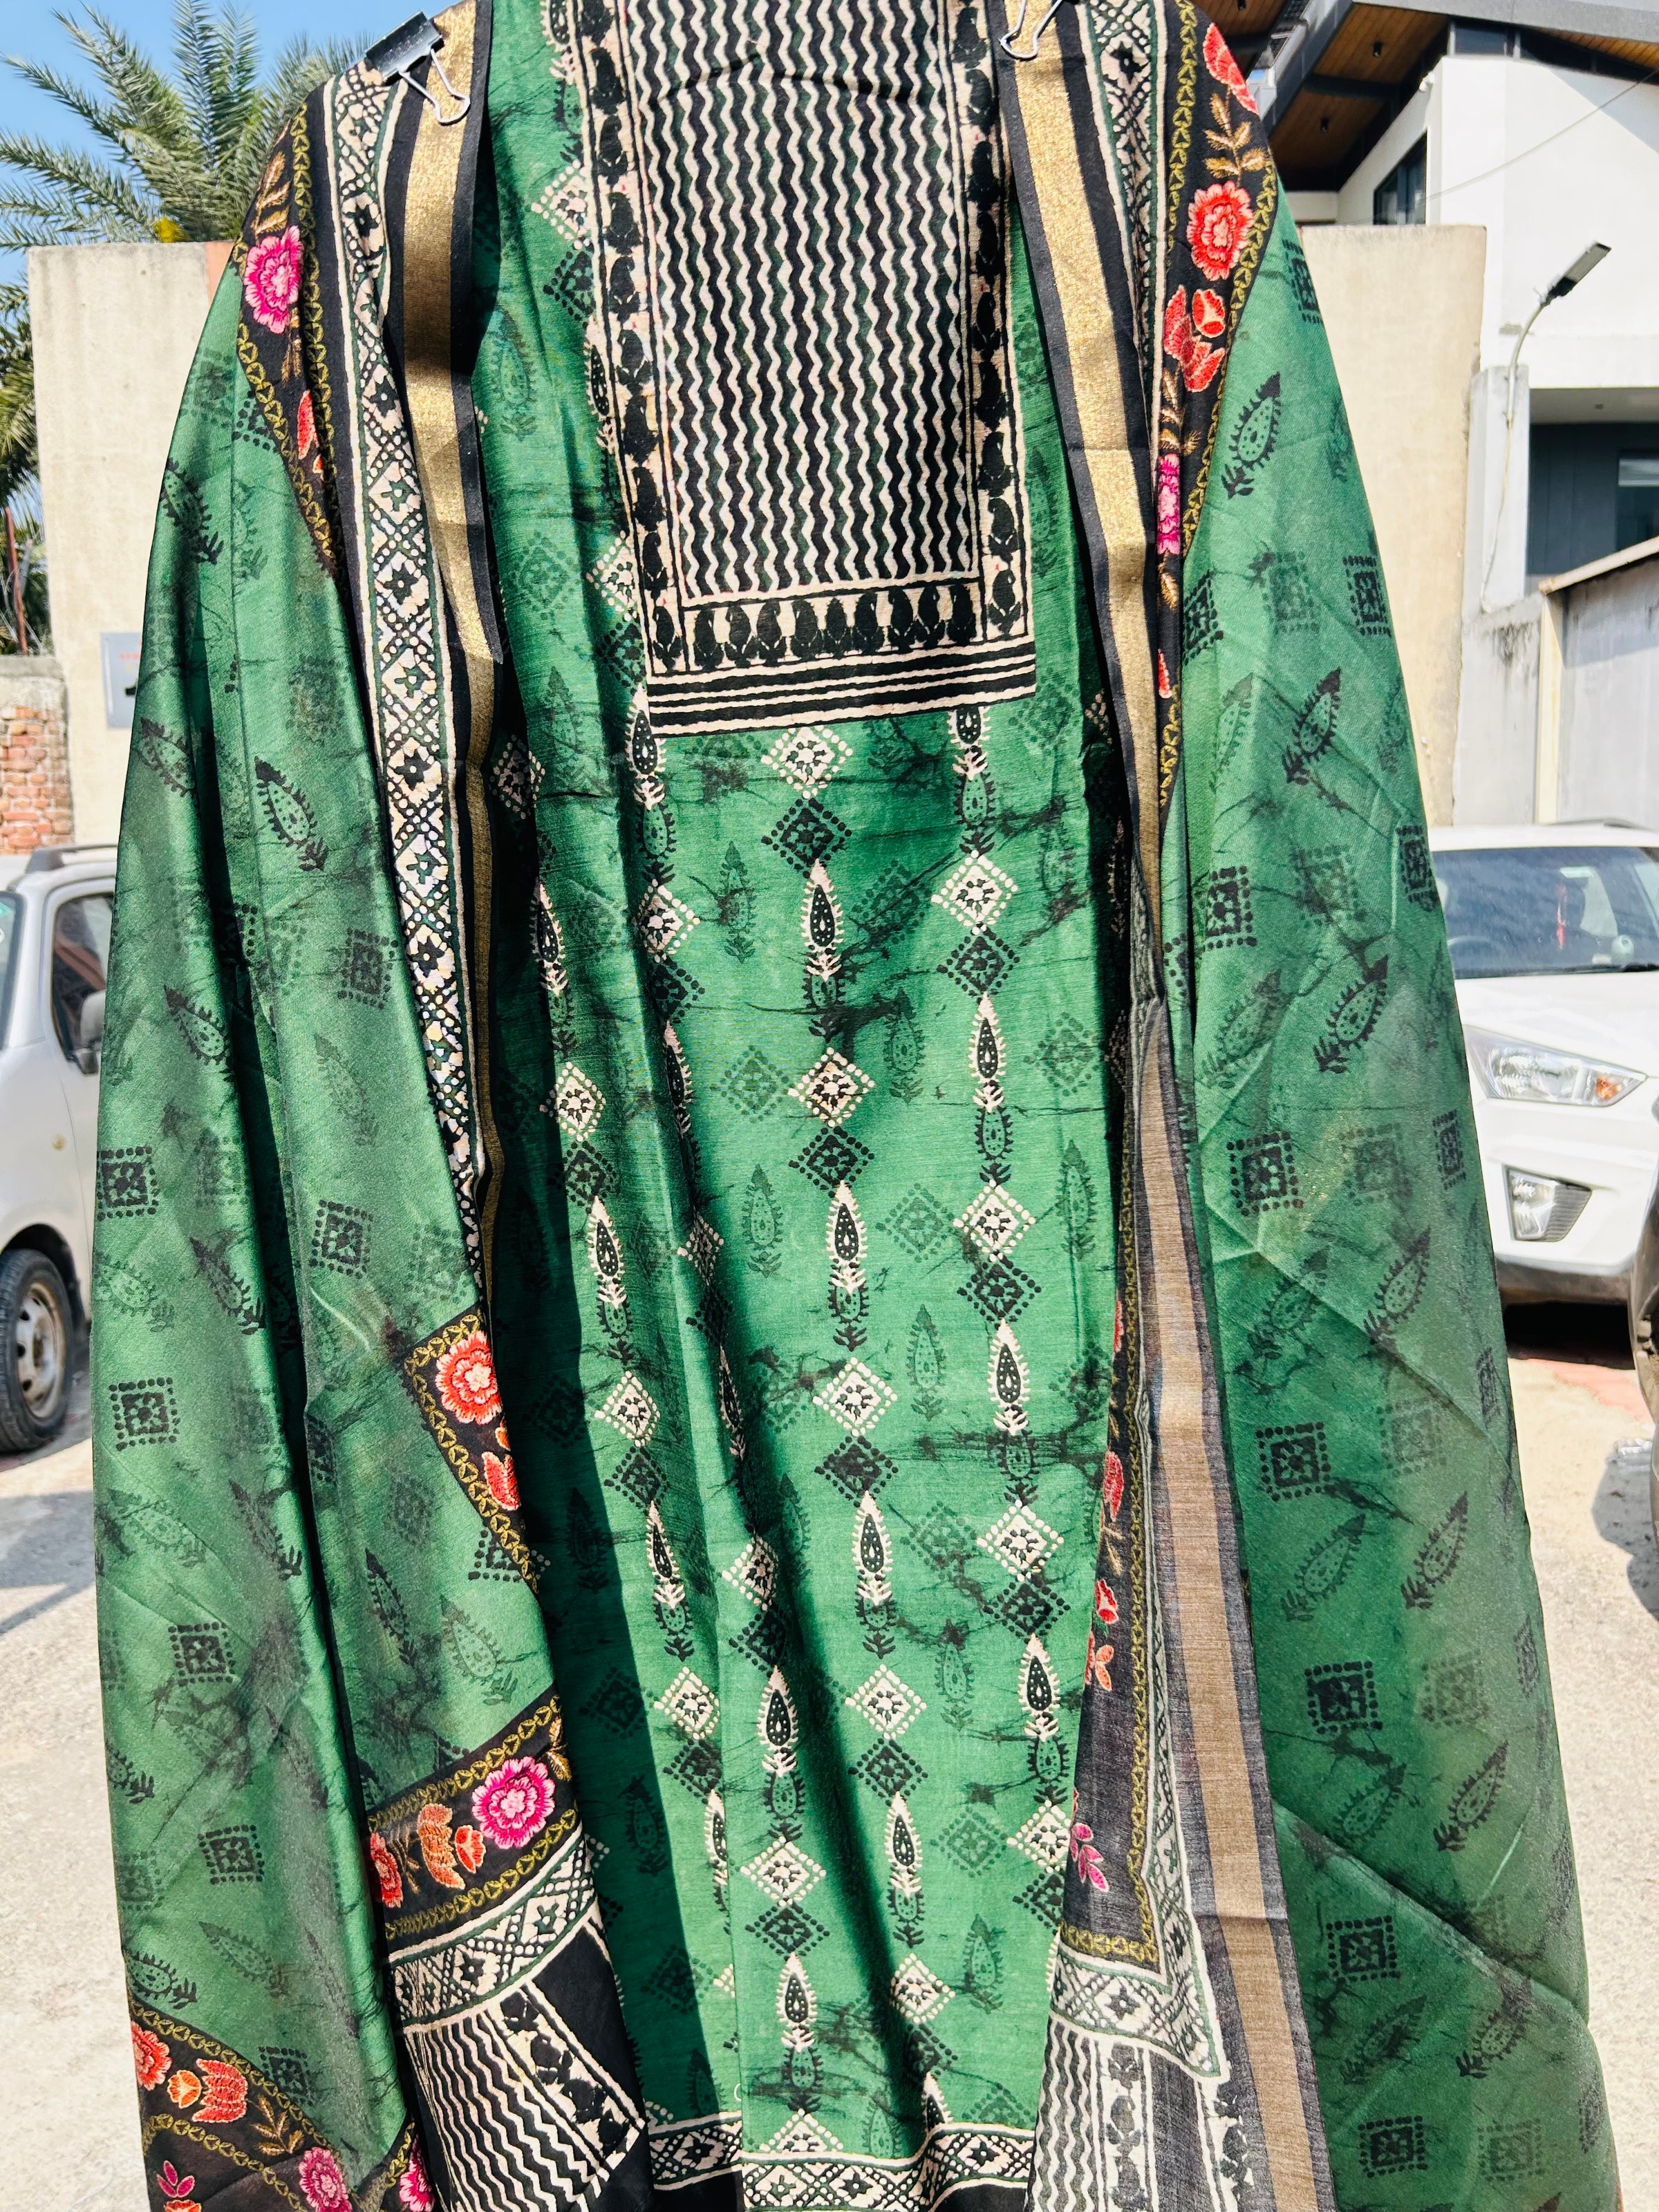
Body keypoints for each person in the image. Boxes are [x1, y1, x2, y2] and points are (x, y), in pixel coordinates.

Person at [92, 1, 1614, 2206]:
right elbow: (1309, 1023)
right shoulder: (1136, 141)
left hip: (614, 1806)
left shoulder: (350, 224)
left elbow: (269, 1089)